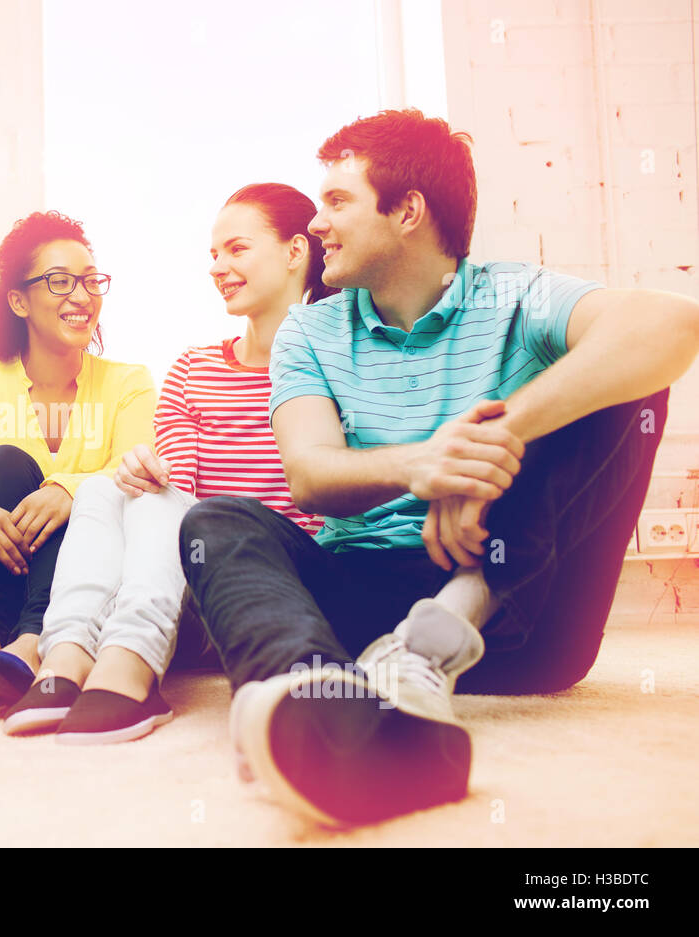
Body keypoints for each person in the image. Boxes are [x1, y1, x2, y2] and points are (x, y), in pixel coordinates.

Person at [172, 108, 698, 827]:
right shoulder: (310, 329)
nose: (317, 223)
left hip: (514, 615)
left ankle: (437, 636)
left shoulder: (517, 294)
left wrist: (489, 442)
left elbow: (672, 325)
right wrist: (425, 465)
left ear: (408, 211)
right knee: (217, 520)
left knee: (624, 381)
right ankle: (319, 705)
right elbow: (309, 473)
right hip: (360, 608)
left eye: (337, 201)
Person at [3, 184, 331, 743]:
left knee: (158, 501)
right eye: (213, 255)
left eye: (236, 249)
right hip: (184, 588)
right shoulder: (192, 368)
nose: (218, 267)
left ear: (296, 251)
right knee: (108, 491)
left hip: (274, 585)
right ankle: (67, 658)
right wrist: (141, 472)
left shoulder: (336, 361)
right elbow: (173, 488)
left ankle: (130, 664)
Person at [0, 211, 156, 709]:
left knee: (88, 500)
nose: (83, 296)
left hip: (82, 583)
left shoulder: (129, 381)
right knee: (3, 463)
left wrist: (67, 489)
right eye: (61, 281)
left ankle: (29, 649)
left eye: (91, 281)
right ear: (19, 300)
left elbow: (138, 466)